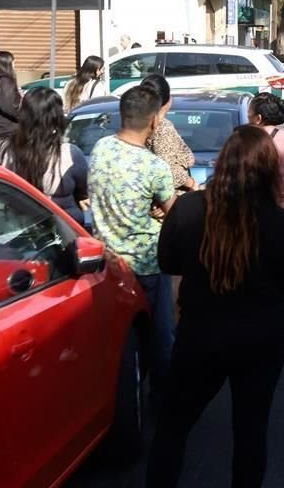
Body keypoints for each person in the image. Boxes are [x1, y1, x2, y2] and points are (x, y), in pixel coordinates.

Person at [145, 126, 284, 488]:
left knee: (174, 425)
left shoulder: (188, 208)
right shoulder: (281, 223)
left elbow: (168, 261)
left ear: (223, 162)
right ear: (268, 169)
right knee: (251, 431)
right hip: (262, 339)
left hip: (200, 335)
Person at [88, 86, 176, 395]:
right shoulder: (155, 167)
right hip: (146, 263)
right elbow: (175, 215)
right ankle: (163, 397)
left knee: (120, 338)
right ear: (154, 120)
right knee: (160, 334)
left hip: (107, 262)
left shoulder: (100, 148)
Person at [248, 92, 284, 329]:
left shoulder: (247, 139)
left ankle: (254, 307)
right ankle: (281, 310)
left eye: (250, 112)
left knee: (254, 259)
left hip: (255, 210)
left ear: (259, 117)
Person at [0, 88, 88, 225]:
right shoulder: (69, 153)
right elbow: (85, 190)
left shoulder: (5, 149)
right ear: (57, 117)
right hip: (64, 230)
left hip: (17, 227)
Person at [141, 74, 199, 193]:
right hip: (171, 197)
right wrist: (191, 184)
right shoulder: (162, 128)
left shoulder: (141, 123)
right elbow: (168, 170)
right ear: (168, 99)